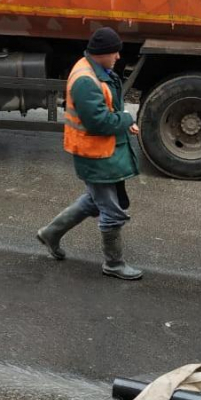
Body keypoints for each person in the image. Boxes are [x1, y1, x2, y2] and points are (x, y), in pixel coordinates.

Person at [36, 26, 143, 280]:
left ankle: (51, 233)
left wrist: (124, 122)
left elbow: (107, 111)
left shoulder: (98, 71)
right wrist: (125, 117)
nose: (118, 57)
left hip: (102, 152)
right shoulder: (86, 80)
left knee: (94, 201)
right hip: (95, 155)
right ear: (102, 53)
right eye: (115, 53)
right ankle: (114, 264)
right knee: (112, 212)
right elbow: (98, 122)